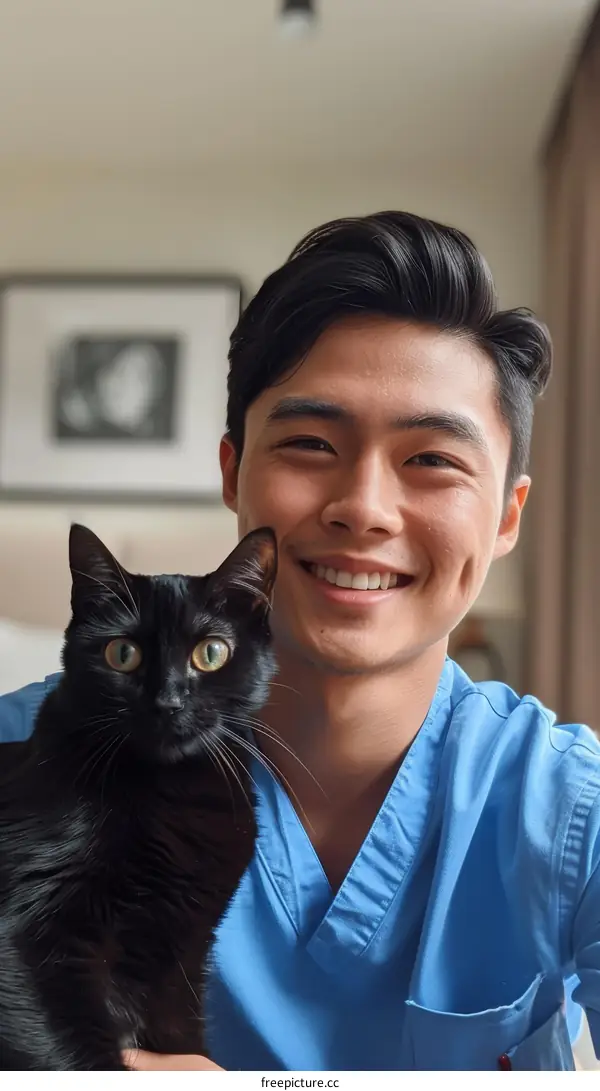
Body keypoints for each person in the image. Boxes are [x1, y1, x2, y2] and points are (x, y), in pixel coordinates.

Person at [1, 212, 599, 1072]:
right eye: (313, 443)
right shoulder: (26, 756)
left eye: (431, 459)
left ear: (507, 516)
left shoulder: (566, 809)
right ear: (232, 472)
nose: (363, 506)